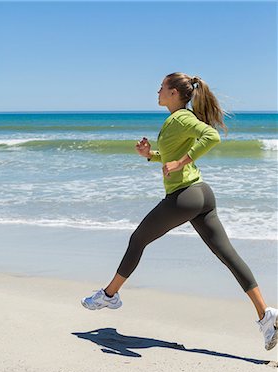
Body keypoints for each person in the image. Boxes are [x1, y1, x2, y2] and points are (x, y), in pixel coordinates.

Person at [81, 72, 278, 351]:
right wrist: (151, 155)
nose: (157, 91)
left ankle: (109, 295)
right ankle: (265, 314)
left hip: (185, 196)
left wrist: (181, 162)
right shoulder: (175, 120)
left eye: (162, 87)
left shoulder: (181, 118)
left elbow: (211, 136)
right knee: (228, 255)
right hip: (201, 194)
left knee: (138, 240)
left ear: (174, 93)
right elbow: (174, 152)